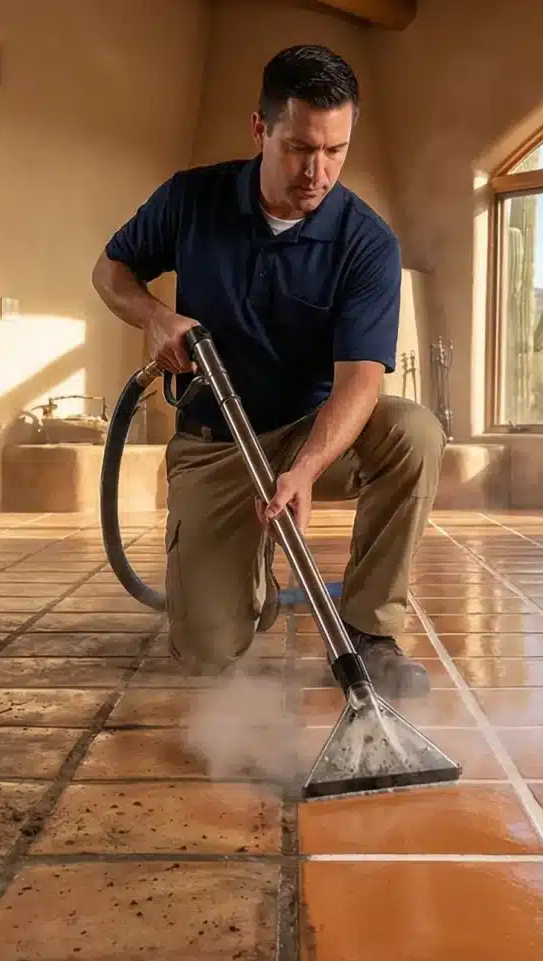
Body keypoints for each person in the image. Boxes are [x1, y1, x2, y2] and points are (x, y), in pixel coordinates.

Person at [91, 43, 444, 699]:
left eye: (336, 150)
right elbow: (109, 272)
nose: (318, 171)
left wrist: (305, 468)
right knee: (208, 655)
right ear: (261, 129)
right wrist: (153, 316)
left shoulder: (366, 242)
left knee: (415, 431)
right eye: (300, 147)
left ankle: (370, 631)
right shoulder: (191, 200)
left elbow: (363, 379)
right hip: (217, 443)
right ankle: (244, 584)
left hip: (311, 431)